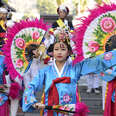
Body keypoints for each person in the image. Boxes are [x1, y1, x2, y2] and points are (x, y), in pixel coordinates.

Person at [22, 33, 116, 116]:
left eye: (63, 49)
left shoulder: (76, 68)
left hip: (70, 111)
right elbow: (31, 86)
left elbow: (96, 62)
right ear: (52, 53)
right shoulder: (45, 71)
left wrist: (113, 54)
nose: (59, 52)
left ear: (68, 52)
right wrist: (32, 102)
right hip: (49, 110)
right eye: (56, 49)